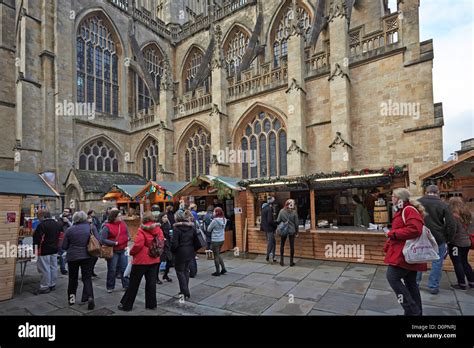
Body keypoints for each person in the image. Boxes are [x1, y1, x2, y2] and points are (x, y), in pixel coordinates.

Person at [384, 188, 427, 316]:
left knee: (392, 277)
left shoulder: (408, 210)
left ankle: (411, 310)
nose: (391, 198)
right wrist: (389, 242)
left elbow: (415, 229)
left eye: (393, 196)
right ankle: (416, 313)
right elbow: (402, 229)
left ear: (399, 198)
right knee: (411, 284)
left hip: (404, 254)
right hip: (406, 253)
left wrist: (393, 234)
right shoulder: (403, 210)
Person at [118, 212, 163, 311]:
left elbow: (138, 245)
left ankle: (126, 305)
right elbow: (161, 242)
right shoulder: (158, 229)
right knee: (151, 283)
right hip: (154, 258)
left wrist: (132, 252)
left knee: (134, 284)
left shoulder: (142, 229)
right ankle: (151, 305)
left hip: (141, 260)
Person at [416, 185, 455, 294]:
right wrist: (448, 238)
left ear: (426, 192)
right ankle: (433, 286)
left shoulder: (417, 203)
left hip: (421, 236)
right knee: (437, 262)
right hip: (438, 237)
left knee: (419, 259)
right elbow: (451, 225)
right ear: (438, 192)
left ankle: (415, 283)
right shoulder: (443, 205)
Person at [62, 211, 100, 310]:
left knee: (72, 279)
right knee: (87, 278)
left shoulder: (70, 230)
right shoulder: (91, 227)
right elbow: (98, 240)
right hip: (88, 256)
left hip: (73, 257)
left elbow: (64, 246)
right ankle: (90, 297)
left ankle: (72, 300)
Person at [32, 208, 62, 295]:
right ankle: (52, 284)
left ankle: (45, 286)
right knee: (53, 267)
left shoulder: (42, 225)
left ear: (42, 216)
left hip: (44, 249)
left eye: (38, 216)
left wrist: (35, 249)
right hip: (54, 249)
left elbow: (38, 239)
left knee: (44, 269)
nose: (38, 218)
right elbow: (60, 237)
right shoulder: (57, 224)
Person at [101, 209, 130, 293]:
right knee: (112, 269)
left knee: (124, 268)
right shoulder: (107, 226)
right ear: (114, 217)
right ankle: (110, 286)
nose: (121, 217)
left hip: (123, 249)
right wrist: (114, 243)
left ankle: (126, 285)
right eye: (119, 216)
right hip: (113, 250)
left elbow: (127, 233)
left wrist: (128, 237)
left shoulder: (123, 224)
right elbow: (102, 239)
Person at [447, 197, 474, 290]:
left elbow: (452, 230)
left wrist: (448, 239)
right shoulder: (469, 214)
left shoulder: (453, 215)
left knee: (457, 263)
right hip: (467, 242)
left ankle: (461, 283)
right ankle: (472, 281)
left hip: (456, 244)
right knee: (465, 261)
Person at [171, 210, 196, 299]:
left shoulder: (176, 229)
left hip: (180, 253)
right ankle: (184, 290)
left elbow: (174, 244)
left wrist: (172, 251)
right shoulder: (191, 227)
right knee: (185, 270)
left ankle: (185, 291)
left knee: (180, 271)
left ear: (177, 218)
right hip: (190, 251)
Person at [276, 199, 299, 267]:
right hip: (291, 231)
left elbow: (278, 220)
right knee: (292, 246)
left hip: (284, 231)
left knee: (282, 245)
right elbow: (296, 224)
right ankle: (291, 262)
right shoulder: (294, 212)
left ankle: (281, 261)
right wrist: (297, 232)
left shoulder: (281, 211)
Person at [207, 207, 227, 276]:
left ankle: (217, 271)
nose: (213, 213)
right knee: (218, 254)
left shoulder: (214, 221)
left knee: (216, 256)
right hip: (222, 239)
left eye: (214, 211)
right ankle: (223, 269)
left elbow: (208, 229)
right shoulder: (224, 219)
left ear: (217, 212)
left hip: (215, 240)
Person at [157, 212, 174, 283]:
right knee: (159, 262)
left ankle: (165, 275)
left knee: (170, 260)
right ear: (160, 218)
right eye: (164, 217)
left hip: (167, 245)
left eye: (166, 217)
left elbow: (170, 233)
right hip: (160, 245)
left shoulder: (168, 224)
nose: (166, 218)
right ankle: (156, 277)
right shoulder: (158, 226)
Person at [260, 196, 277, 263]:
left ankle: (273, 256)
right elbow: (270, 220)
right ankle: (268, 256)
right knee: (271, 243)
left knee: (273, 242)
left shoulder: (263, 208)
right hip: (269, 228)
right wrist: (275, 225)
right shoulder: (269, 209)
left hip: (265, 228)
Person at [58, 207, 73, 275]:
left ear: (70, 213)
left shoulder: (72, 219)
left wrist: (68, 222)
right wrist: (62, 221)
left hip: (70, 238)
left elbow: (73, 227)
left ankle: (65, 265)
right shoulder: (59, 219)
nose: (65, 212)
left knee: (68, 253)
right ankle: (63, 269)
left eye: (67, 211)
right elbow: (58, 227)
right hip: (62, 238)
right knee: (62, 254)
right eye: (64, 211)